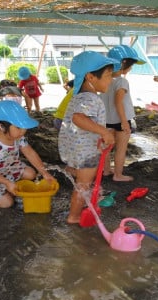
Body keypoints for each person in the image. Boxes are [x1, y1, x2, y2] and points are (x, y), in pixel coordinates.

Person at [58, 51, 117, 224]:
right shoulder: (90, 98)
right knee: (83, 186)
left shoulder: (78, 96)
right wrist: (105, 132)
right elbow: (78, 118)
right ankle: (74, 216)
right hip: (86, 153)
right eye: (107, 75)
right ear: (91, 77)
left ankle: (81, 202)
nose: (111, 80)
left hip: (75, 149)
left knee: (82, 182)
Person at [100, 45, 145, 182]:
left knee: (106, 148)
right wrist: (124, 121)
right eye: (131, 65)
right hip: (120, 120)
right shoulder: (122, 81)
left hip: (105, 120)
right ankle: (118, 175)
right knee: (121, 148)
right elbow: (118, 102)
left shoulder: (104, 80)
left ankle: (106, 170)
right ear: (123, 64)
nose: (131, 68)